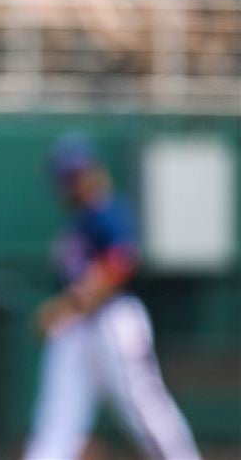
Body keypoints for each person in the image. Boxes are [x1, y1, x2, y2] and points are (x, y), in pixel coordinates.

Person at [24, 134, 199, 460]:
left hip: (113, 319)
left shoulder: (107, 210)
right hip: (78, 327)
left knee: (145, 409)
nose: (70, 184)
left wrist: (69, 304)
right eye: (65, 178)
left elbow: (122, 262)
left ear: (92, 172)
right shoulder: (79, 219)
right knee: (58, 418)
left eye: (75, 175)